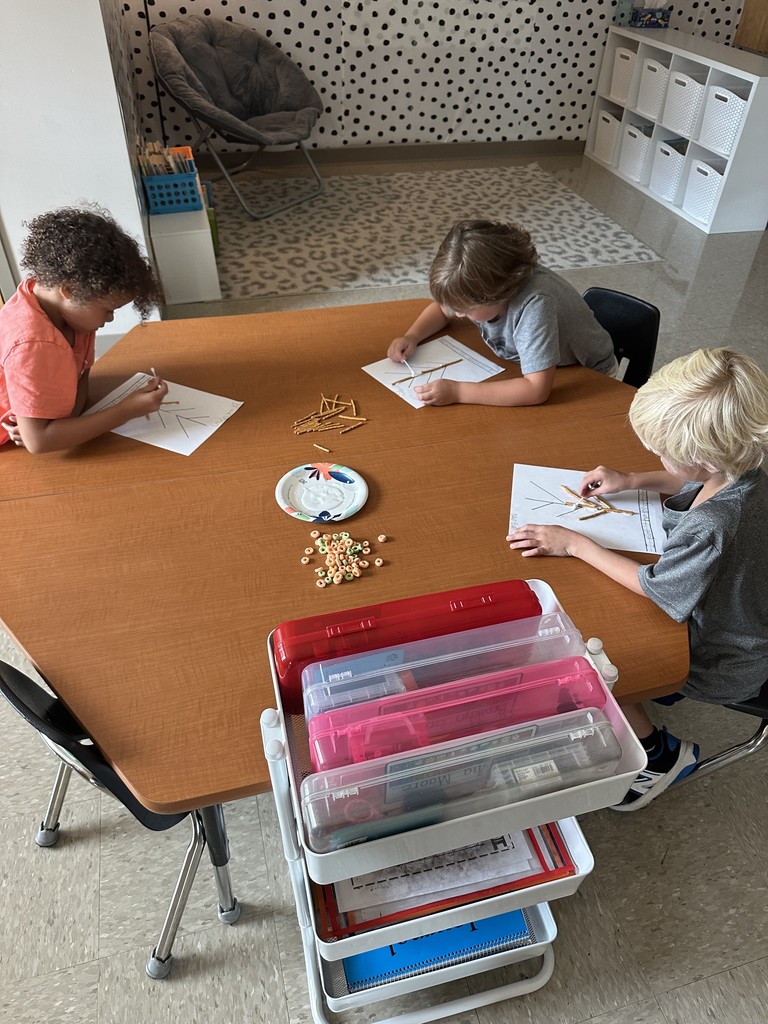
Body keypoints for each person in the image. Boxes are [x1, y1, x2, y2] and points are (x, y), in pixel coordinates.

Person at [507, 348, 768, 811]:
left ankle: (660, 756)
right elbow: (699, 483)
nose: (655, 454)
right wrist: (632, 478)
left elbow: (659, 590)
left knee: (598, 657)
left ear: (704, 458)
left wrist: (576, 545)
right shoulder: (747, 470)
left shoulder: (714, 525)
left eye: (664, 453)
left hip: (722, 654)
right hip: (744, 615)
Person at [386, 219, 617, 407]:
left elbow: (536, 391)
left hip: (585, 375)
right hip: (528, 365)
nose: (456, 314)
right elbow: (441, 308)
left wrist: (457, 391)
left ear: (499, 294)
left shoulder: (535, 306)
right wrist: (412, 336)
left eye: (465, 310)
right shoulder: (481, 287)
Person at [0, 205, 168, 454]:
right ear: (69, 290)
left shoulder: (67, 309)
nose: (110, 319)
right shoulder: (34, 344)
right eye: (108, 310)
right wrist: (125, 411)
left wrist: (59, 425)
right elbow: (40, 443)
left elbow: (81, 379)